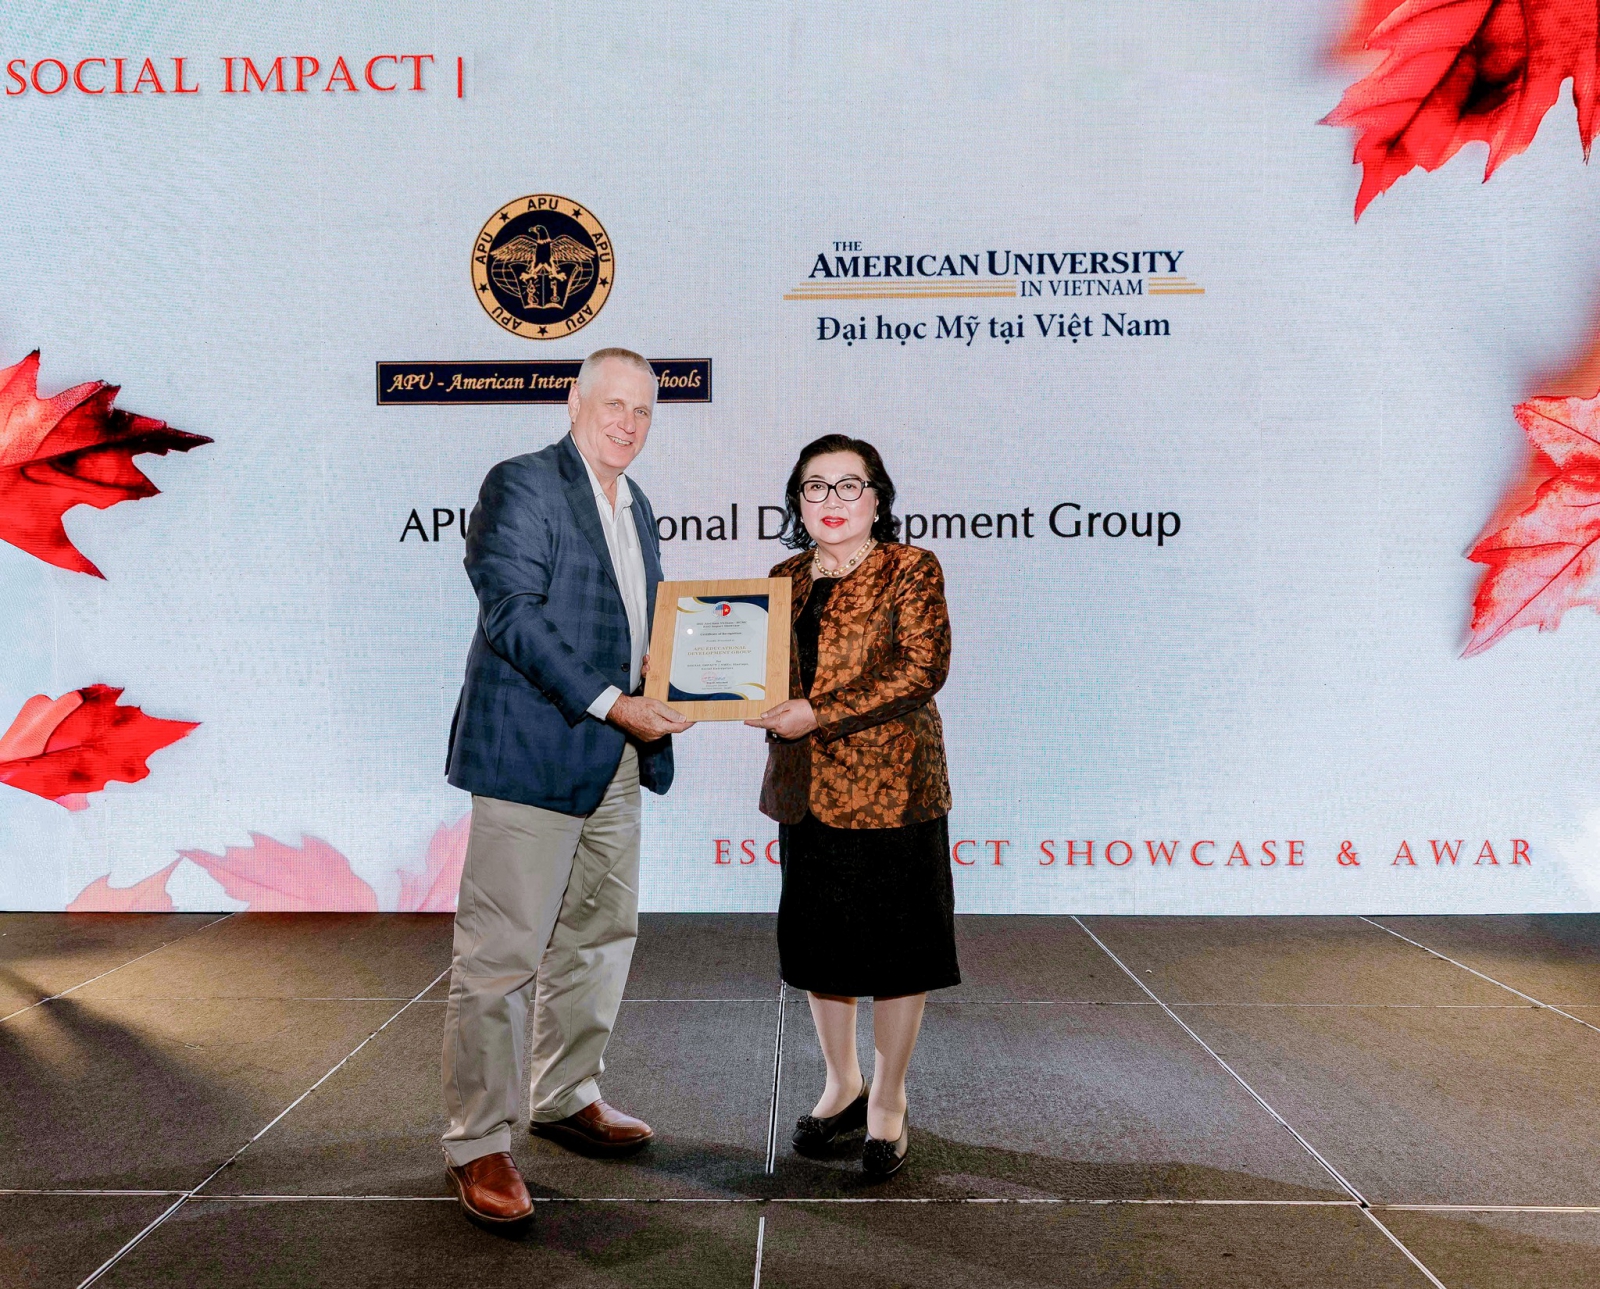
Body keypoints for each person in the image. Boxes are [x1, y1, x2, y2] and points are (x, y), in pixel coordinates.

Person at [439, 347, 694, 1227]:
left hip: (615, 757)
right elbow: (513, 613)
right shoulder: (522, 483)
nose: (628, 422)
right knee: (501, 957)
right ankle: (478, 1143)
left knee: (598, 934)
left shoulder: (638, 504)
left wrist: (679, 681)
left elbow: (633, 627)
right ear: (574, 400)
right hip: (532, 755)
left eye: (644, 410)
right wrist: (617, 701)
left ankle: (564, 1093)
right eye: (613, 404)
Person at [746, 434, 957, 1179]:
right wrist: (688, 679)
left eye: (848, 485)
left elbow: (923, 668)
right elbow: (755, 672)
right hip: (807, 792)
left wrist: (818, 712)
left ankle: (888, 1101)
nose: (831, 501)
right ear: (797, 503)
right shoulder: (782, 580)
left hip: (895, 792)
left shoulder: (910, 567)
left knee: (899, 955)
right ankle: (842, 1084)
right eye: (815, 487)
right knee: (822, 952)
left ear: (877, 498)